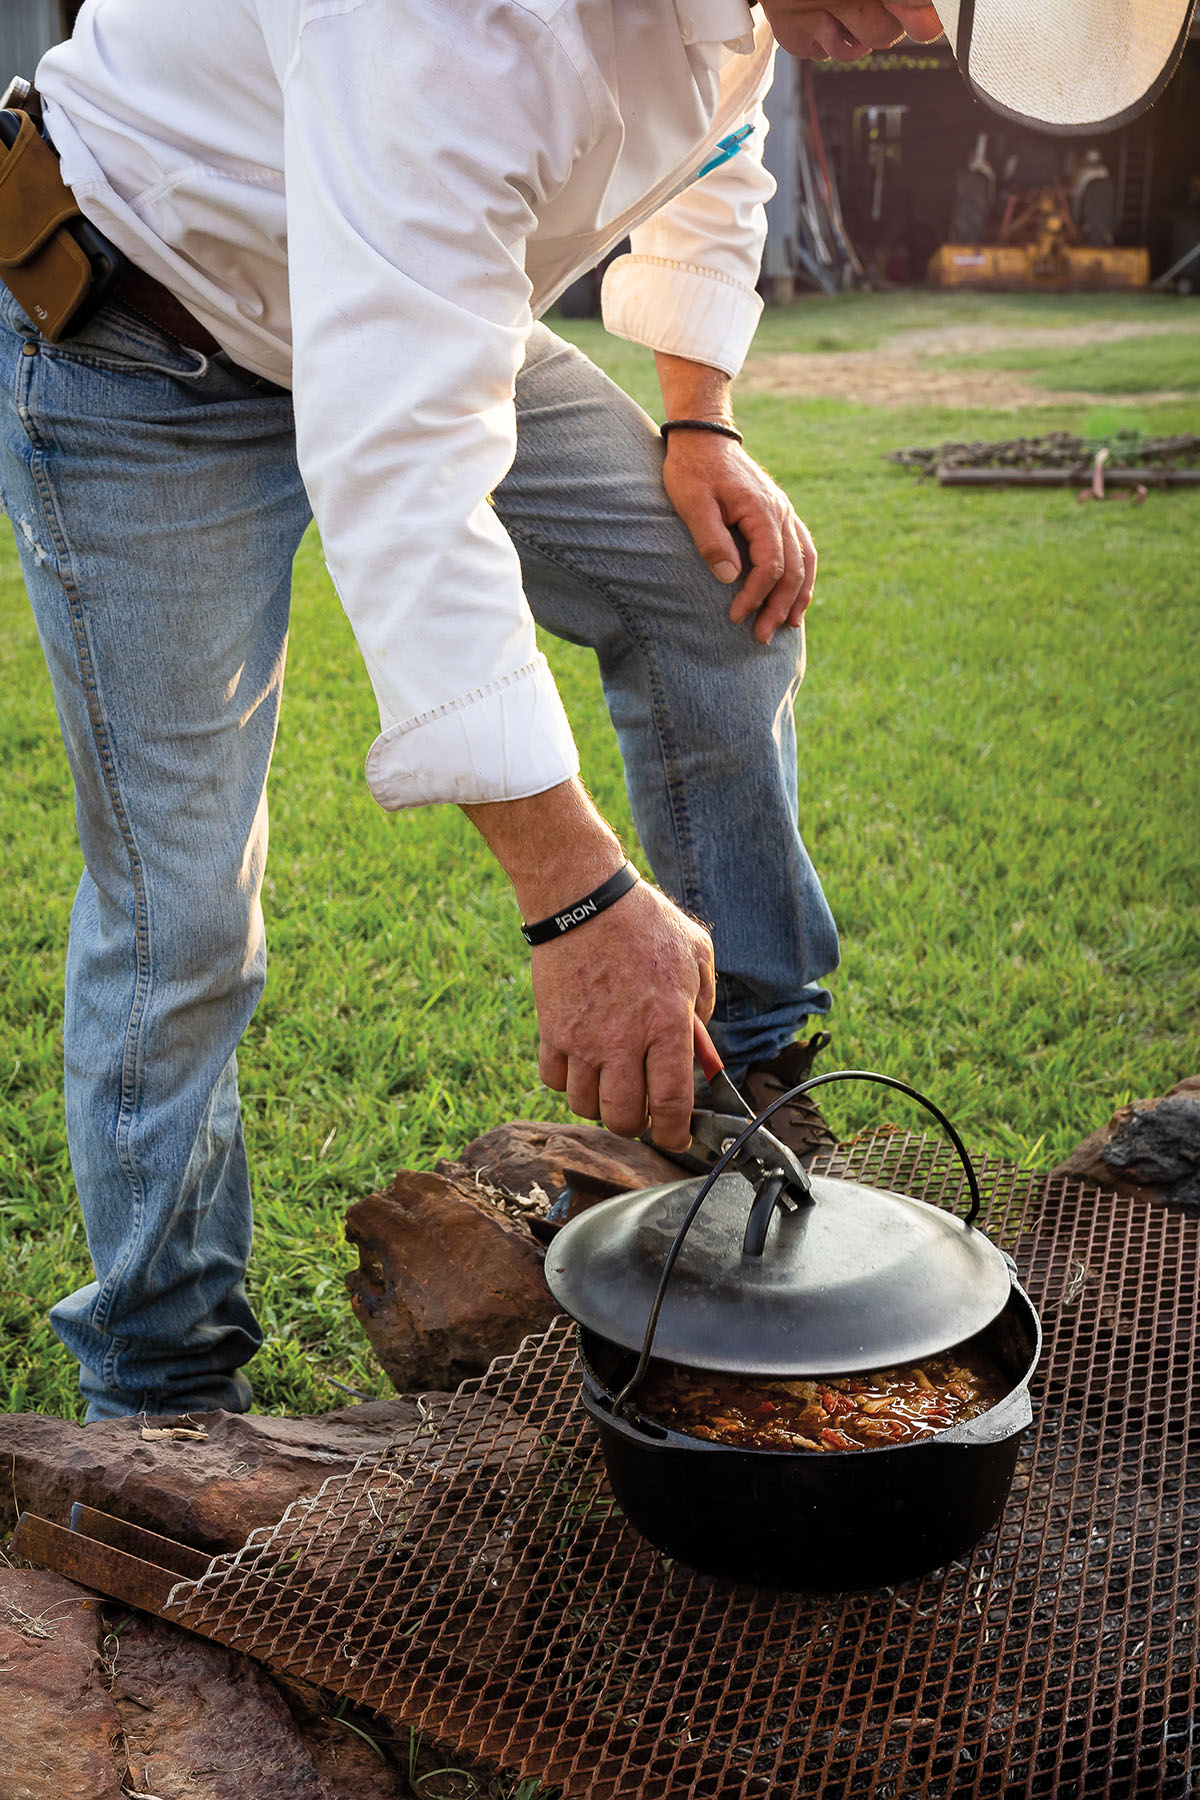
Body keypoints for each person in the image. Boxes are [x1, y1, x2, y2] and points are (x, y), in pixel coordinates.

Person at [0, 0, 1186, 1420]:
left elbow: (721, 137)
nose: (902, 21)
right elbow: (403, 473)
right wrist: (575, 900)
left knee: (714, 596)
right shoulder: (457, 21)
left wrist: (701, 416)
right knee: (180, 906)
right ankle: (162, 1388)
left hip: (422, 303)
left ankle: (738, 1091)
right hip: (148, 332)